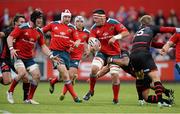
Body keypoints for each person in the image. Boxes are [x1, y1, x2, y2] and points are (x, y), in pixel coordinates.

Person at [6, 9, 59, 104]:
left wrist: (51, 55)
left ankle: (29, 99)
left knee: (37, 75)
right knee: (22, 73)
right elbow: (10, 37)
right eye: (39, 19)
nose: (41, 21)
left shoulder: (39, 32)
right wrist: (11, 49)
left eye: (41, 19)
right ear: (34, 19)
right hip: (18, 55)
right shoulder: (22, 27)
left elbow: (43, 46)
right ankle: (10, 91)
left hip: (29, 58)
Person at [94, 49, 174, 106]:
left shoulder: (123, 52)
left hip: (143, 74)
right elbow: (107, 68)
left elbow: (125, 62)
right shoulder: (115, 58)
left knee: (146, 97)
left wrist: (111, 59)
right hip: (140, 75)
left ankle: (166, 101)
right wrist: (96, 76)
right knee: (152, 86)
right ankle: (168, 92)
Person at [83, 9, 130, 104]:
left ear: (103, 17)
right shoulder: (94, 28)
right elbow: (92, 41)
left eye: (96, 18)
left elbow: (126, 32)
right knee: (94, 69)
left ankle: (115, 99)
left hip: (115, 53)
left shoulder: (113, 23)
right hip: (102, 53)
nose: (94, 20)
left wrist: (115, 37)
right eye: (94, 18)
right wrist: (90, 49)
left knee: (114, 75)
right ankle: (91, 90)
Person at [129, 15, 176, 107]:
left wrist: (169, 45)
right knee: (155, 77)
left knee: (140, 77)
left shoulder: (137, 32)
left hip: (133, 56)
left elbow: (153, 44)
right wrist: (177, 31)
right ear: (150, 22)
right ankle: (160, 101)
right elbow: (170, 29)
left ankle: (140, 99)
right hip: (143, 54)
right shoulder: (151, 27)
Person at [43, 9, 82, 103]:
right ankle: (75, 97)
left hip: (66, 54)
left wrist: (77, 42)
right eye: (65, 16)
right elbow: (41, 31)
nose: (67, 19)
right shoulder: (53, 24)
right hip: (55, 53)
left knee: (62, 77)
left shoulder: (72, 28)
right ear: (62, 17)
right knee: (65, 75)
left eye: (69, 17)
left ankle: (52, 82)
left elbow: (77, 39)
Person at [0, 14, 30, 101]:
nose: (23, 24)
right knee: (7, 81)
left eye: (24, 22)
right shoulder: (9, 30)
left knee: (25, 77)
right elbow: (2, 34)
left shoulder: (25, 32)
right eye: (21, 22)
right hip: (5, 58)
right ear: (15, 23)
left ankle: (26, 99)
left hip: (16, 59)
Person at [59, 16, 89, 100]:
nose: (79, 23)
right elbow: (63, 40)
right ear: (74, 23)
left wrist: (87, 49)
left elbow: (88, 42)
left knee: (70, 75)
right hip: (66, 55)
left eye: (81, 21)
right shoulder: (70, 30)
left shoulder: (87, 32)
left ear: (84, 23)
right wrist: (68, 47)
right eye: (77, 21)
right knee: (62, 77)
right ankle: (53, 81)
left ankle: (63, 94)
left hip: (76, 57)